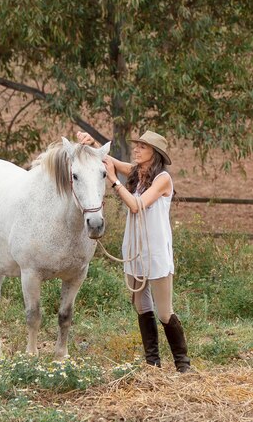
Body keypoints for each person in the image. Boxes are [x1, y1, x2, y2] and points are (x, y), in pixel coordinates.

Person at [77, 130, 191, 373]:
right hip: (135, 249)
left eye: (142, 147)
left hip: (156, 251)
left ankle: (183, 364)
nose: (136, 150)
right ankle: (153, 364)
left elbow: (137, 205)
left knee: (164, 311)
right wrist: (92, 142)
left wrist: (114, 181)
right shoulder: (138, 174)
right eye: (137, 146)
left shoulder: (162, 179)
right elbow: (109, 161)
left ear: (155, 153)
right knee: (141, 306)